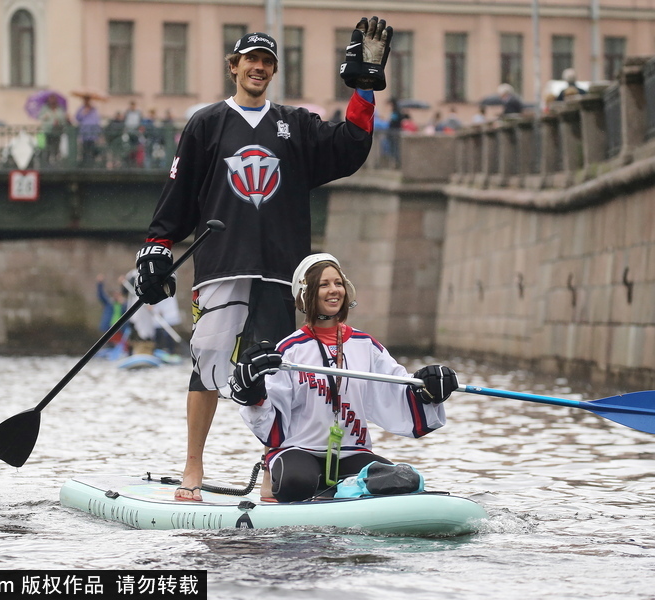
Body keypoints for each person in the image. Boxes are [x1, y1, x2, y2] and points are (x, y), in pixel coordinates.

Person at [134, 18, 392, 501]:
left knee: (276, 372)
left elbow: (350, 147)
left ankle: (274, 471)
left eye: (267, 62)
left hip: (280, 268)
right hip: (221, 265)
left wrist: (363, 88)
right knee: (208, 362)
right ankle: (193, 465)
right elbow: (178, 194)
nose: (258, 68)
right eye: (250, 60)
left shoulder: (295, 125)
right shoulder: (206, 124)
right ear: (234, 67)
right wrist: (156, 252)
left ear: (273, 71)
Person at [228, 254, 459, 502]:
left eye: (338, 283)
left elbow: (399, 388)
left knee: (405, 480)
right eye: (324, 284)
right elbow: (269, 416)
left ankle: (343, 492)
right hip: (298, 451)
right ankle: (337, 494)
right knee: (296, 483)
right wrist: (251, 390)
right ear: (305, 294)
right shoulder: (288, 350)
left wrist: (429, 390)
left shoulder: (366, 345)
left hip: (352, 452)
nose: (334, 290)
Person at [38, 93, 68, 166]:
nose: (52, 100)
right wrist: (47, 118)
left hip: (57, 131)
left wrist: (59, 121)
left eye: (53, 98)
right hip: (47, 131)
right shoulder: (45, 108)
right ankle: (46, 162)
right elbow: (41, 118)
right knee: (47, 147)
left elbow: (63, 118)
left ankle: (56, 161)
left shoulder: (59, 109)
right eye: (51, 98)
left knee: (56, 147)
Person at [76, 97, 102, 167]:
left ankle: (92, 163)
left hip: (92, 133)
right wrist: (83, 113)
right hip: (85, 133)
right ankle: (85, 163)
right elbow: (77, 118)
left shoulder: (94, 110)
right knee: (85, 148)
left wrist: (97, 131)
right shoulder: (81, 109)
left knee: (92, 148)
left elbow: (97, 120)